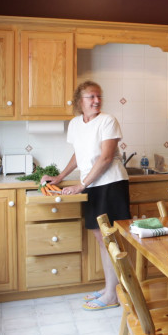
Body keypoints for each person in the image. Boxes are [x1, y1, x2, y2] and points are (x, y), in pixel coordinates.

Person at [42, 80, 130, 311]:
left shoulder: (108, 121)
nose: (96, 101)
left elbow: (106, 158)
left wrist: (81, 186)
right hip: (91, 183)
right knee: (100, 237)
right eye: (91, 97)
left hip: (110, 183)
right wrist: (59, 178)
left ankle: (114, 293)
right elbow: (78, 155)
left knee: (109, 239)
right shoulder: (74, 124)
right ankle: (110, 288)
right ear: (79, 102)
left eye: (99, 96)